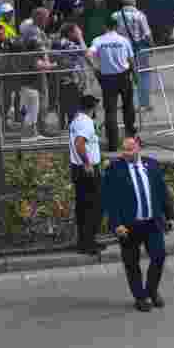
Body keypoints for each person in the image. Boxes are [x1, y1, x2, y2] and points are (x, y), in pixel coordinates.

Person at [103, 137, 174, 312]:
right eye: (124, 150)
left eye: (131, 149)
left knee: (159, 256)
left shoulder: (152, 165)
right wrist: (116, 224)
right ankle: (140, 297)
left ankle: (151, 290)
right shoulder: (114, 169)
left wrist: (170, 215)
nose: (127, 154)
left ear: (138, 148)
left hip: (152, 223)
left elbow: (162, 191)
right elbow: (109, 199)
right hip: (129, 226)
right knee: (131, 263)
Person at [86, 15, 137, 152]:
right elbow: (131, 60)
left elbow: (88, 54)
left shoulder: (98, 40)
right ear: (117, 27)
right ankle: (131, 138)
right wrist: (136, 75)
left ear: (105, 27)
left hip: (107, 78)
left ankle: (113, 144)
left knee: (110, 110)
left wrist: (95, 68)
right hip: (124, 76)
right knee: (128, 107)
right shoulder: (124, 40)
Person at [69, 93, 105, 255]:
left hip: (77, 169)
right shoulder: (86, 123)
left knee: (83, 207)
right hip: (87, 171)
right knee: (94, 207)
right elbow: (79, 144)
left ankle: (84, 242)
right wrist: (88, 163)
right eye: (96, 107)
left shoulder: (76, 120)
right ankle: (89, 244)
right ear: (92, 108)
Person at [113, 0, 154, 112]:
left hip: (122, 52)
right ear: (134, 2)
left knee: (127, 77)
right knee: (144, 75)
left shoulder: (115, 16)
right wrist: (152, 46)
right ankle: (145, 103)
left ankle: (131, 103)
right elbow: (147, 34)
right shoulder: (139, 15)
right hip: (139, 50)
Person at [55, 23, 89, 129]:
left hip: (69, 78)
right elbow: (84, 51)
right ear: (70, 33)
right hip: (68, 78)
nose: (79, 31)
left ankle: (67, 125)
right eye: (77, 30)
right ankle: (70, 128)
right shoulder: (65, 43)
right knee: (71, 105)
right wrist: (80, 37)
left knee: (67, 104)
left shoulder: (63, 42)